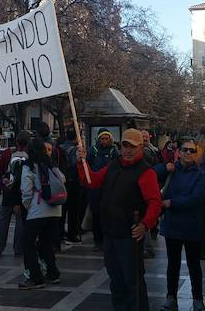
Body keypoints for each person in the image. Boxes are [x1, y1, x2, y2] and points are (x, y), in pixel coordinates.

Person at [77, 128, 162, 311]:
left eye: (132, 146)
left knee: (133, 282)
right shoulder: (114, 165)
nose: (128, 150)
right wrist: (81, 161)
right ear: (120, 146)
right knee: (116, 280)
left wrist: (145, 224)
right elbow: (92, 181)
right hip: (110, 233)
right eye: (125, 145)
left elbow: (155, 202)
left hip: (129, 235)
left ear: (141, 147)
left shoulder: (146, 172)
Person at [155, 138, 205, 311]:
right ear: (178, 152)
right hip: (173, 225)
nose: (188, 153)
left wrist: (173, 203)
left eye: (192, 151)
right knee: (173, 264)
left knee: (194, 265)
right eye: (185, 150)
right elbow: (149, 174)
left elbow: (197, 197)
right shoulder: (172, 169)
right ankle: (171, 297)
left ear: (196, 154)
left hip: (192, 225)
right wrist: (164, 167)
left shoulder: (200, 173)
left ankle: (198, 299)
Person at [18, 135, 65, 289]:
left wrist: (27, 206)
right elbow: (62, 179)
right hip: (55, 209)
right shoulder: (51, 164)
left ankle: (35, 277)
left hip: (38, 210)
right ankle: (53, 273)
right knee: (45, 243)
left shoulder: (29, 166)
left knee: (27, 242)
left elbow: (26, 191)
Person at [0, 131, 29, 257]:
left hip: (8, 191)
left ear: (16, 141)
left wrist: (3, 182)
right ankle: (18, 249)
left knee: (4, 220)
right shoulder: (29, 155)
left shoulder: (8, 153)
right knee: (20, 221)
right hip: (22, 192)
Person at [87, 130, 120, 250]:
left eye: (107, 138)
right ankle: (98, 240)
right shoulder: (93, 150)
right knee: (96, 214)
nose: (105, 141)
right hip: (96, 188)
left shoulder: (114, 150)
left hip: (109, 186)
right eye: (102, 139)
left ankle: (107, 239)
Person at [57, 126, 85, 244]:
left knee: (62, 210)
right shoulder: (76, 150)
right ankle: (72, 233)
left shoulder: (60, 148)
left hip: (62, 183)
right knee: (74, 210)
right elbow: (75, 164)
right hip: (73, 182)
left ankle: (60, 232)